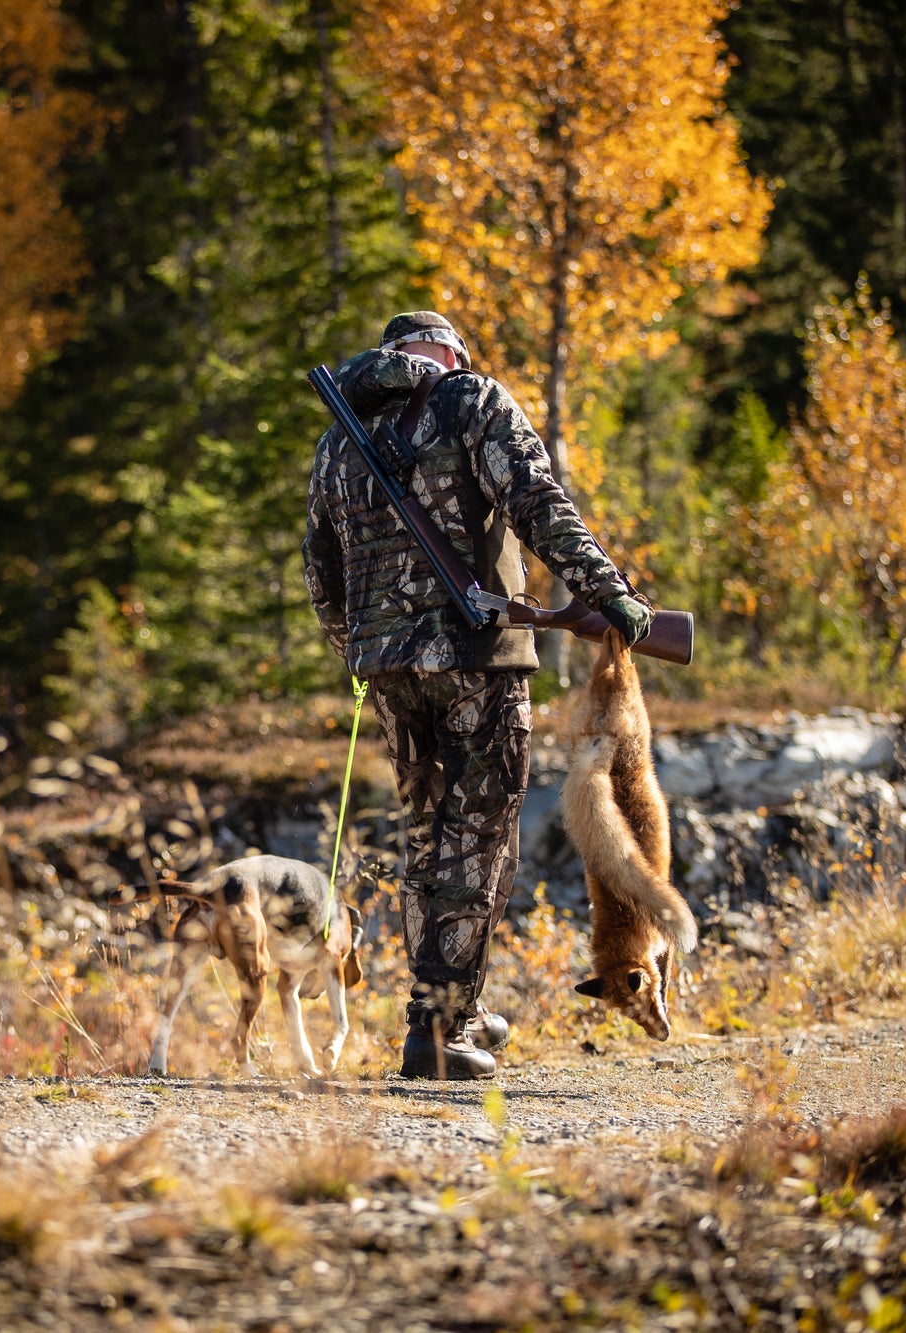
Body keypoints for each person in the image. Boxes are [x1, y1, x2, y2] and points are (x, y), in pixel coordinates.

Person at [302, 311, 654, 1079]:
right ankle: (435, 1031)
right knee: (480, 840)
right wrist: (609, 590)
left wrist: (359, 655)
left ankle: (455, 1011)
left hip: (390, 673)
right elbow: (537, 503)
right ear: (452, 353)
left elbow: (319, 576)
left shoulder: (337, 439)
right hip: (479, 659)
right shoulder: (472, 400)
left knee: (430, 840)